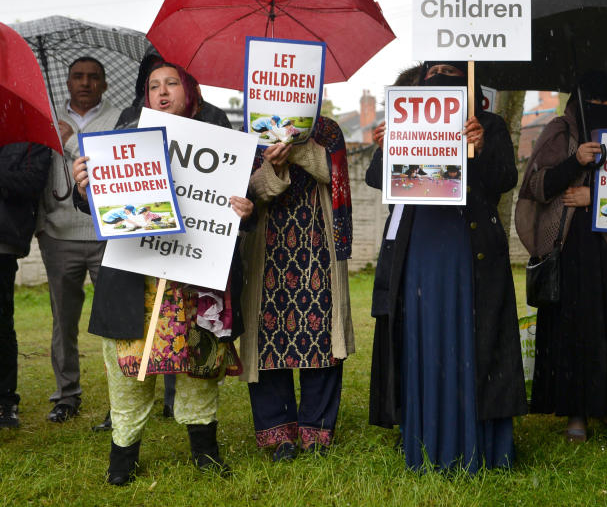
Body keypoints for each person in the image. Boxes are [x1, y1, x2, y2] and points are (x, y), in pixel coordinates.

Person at [72, 63, 252, 484]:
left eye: (172, 82)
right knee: (129, 367)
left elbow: (239, 210)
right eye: (154, 86)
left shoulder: (220, 140)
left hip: (198, 280)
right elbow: (103, 211)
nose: (162, 91)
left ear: (190, 89)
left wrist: (246, 209)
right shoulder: (124, 140)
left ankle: (205, 452)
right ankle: (123, 456)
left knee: (200, 363)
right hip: (137, 280)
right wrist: (85, 187)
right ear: (145, 95)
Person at [367, 61, 526, 473]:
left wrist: (481, 143)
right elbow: (376, 179)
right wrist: (384, 147)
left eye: (451, 69)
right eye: (433, 70)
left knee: (478, 340)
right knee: (427, 339)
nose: (442, 75)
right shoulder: (408, 118)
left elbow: (504, 178)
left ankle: (484, 445)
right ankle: (426, 440)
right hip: (420, 247)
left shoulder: (489, 123)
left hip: (471, 248)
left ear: (471, 79)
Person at [517, 71, 607, 443]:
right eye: (597, 103)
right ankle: (575, 410)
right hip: (571, 247)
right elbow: (536, 185)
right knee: (574, 327)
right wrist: (575, 161)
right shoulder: (559, 131)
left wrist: (597, 199)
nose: (604, 110)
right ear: (579, 103)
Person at [238, 112, 354, 461]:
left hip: (319, 246)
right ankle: (279, 434)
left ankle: (316, 431)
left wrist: (298, 149)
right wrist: (272, 168)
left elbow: (335, 177)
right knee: (267, 337)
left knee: (321, 335)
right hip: (267, 249)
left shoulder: (326, 129)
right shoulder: (249, 131)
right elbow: (247, 193)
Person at [35, 57, 121, 423]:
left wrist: (70, 143)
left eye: (93, 77)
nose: (85, 83)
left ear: (104, 84)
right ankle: (66, 396)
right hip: (58, 234)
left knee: (117, 320)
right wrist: (41, 223)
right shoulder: (47, 117)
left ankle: (120, 401)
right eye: (78, 77)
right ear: (67, 81)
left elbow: (113, 169)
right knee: (63, 321)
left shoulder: (119, 119)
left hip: (105, 233)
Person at [0, 142, 52, 429]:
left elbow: (32, 184)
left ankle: (5, 400)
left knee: (1, 323)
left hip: (3, 240)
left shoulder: (30, 141)